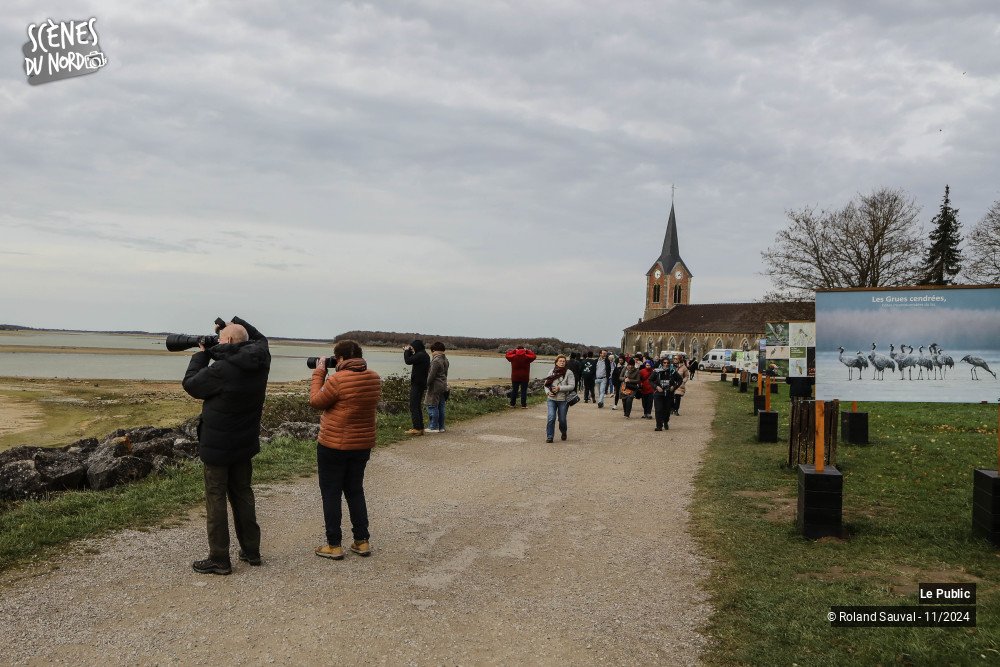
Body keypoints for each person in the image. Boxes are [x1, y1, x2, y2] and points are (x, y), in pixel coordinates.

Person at [182, 316, 270, 575]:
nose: (217, 342)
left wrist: (202, 354)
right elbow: (260, 338)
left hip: (218, 445)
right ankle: (251, 551)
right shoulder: (262, 359)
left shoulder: (223, 369)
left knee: (216, 498)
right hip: (244, 442)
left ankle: (219, 558)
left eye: (221, 339)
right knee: (243, 493)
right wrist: (233, 323)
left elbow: (191, 385)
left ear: (229, 341)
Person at [309, 340, 382, 560]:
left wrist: (319, 372)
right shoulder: (374, 378)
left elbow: (315, 401)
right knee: (355, 490)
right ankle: (362, 541)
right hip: (362, 444)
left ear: (339, 359)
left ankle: (334, 545)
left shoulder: (337, 380)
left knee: (331, 492)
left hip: (333, 444)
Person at [543, 354, 576, 443]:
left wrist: (559, 388)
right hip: (551, 399)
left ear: (566, 363)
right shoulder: (551, 371)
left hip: (563, 400)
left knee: (562, 419)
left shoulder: (569, 372)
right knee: (551, 417)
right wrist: (547, 392)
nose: (562, 362)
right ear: (556, 362)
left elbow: (572, 386)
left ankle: (563, 432)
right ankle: (550, 436)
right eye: (560, 361)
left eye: (563, 361)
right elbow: (546, 384)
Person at [403, 339, 430, 435]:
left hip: (417, 383)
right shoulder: (424, 355)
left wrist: (406, 351)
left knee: (413, 405)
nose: (412, 349)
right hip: (421, 383)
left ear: (416, 347)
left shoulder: (420, 355)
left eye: (413, 347)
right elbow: (412, 359)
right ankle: (420, 428)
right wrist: (409, 351)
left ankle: (417, 428)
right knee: (417, 406)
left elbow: (408, 361)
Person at [651, 356, 682, 431]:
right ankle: (659, 426)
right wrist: (656, 387)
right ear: (662, 363)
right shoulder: (656, 371)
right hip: (658, 393)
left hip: (668, 394)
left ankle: (665, 421)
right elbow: (650, 380)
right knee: (658, 410)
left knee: (666, 410)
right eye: (664, 363)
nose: (666, 364)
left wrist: (674, 387)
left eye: (668, 363)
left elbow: (680, 380)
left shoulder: (672, 371)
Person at [425, 342, 449, 432]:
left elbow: (431, 375)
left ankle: (433, 427)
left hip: (435, 386)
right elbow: (445, 374)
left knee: (432, 406)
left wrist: (426, 384)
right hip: (443, 385)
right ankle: (441, 427)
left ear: (434, 350)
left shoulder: (436, 361)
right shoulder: (446, 360)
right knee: (441, 407)